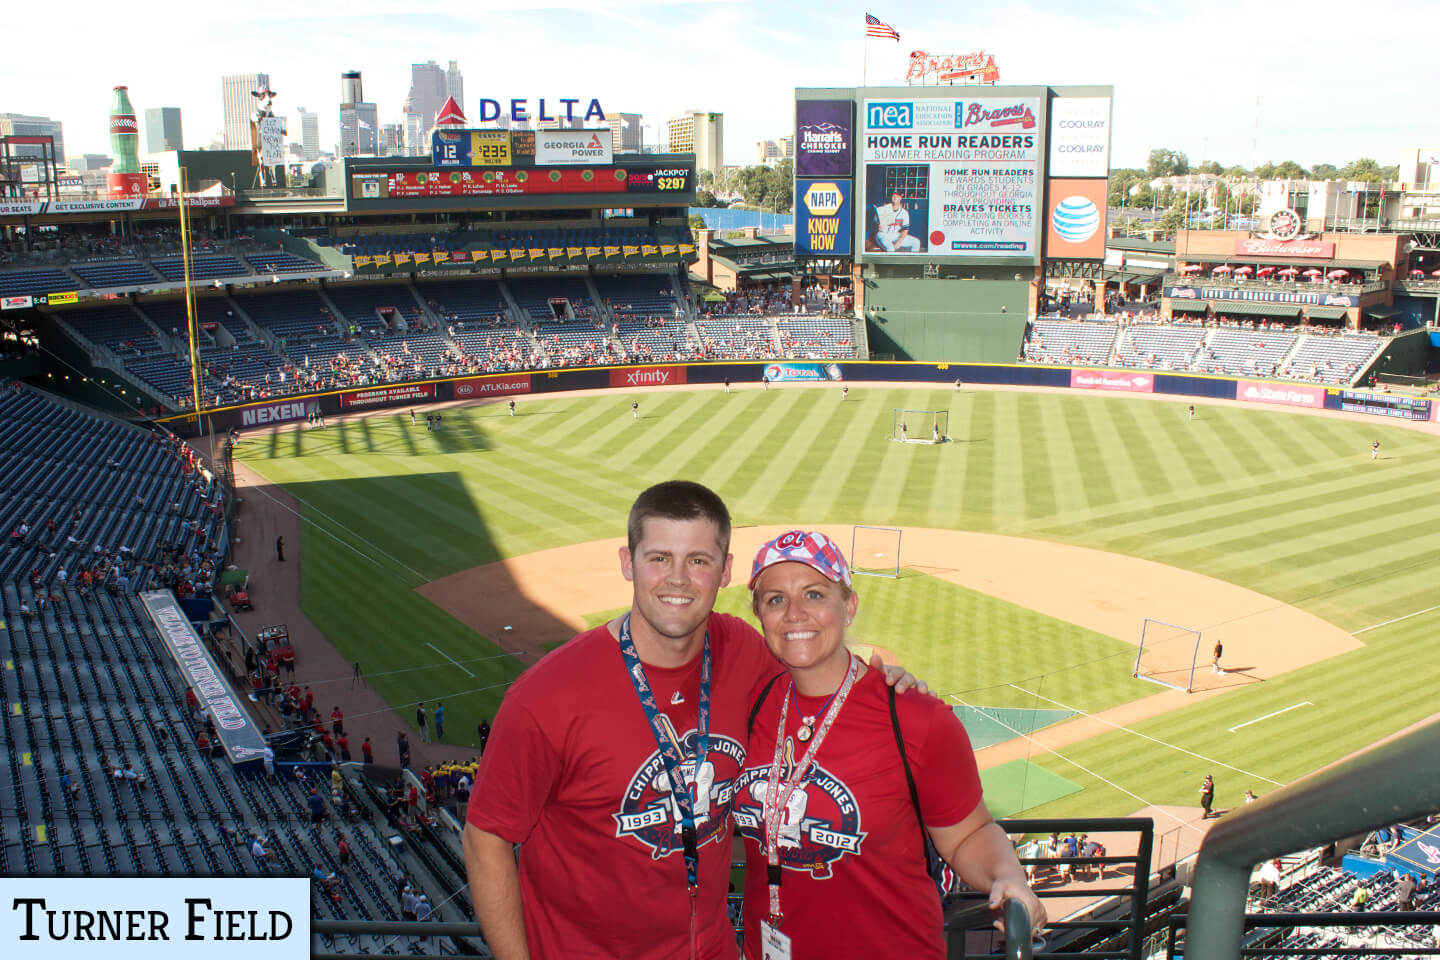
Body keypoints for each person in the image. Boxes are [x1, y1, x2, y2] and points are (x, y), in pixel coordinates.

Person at [463, 481, 924, 960]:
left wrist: (888, 684)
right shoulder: (546, 696)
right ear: (627, 562)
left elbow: (823, 681)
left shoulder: (744, 651)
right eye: (659, 558)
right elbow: (486, 838)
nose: (678, 579)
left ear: (725, 571)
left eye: (698, 561)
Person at [738, 530, 1045, 956]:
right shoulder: (750, 704)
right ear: (760, 615)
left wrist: (1007, 875)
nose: (794, 614)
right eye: (776, 600)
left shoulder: (915, 718)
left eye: (814, 594)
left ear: (848, 606)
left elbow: (968, 833)